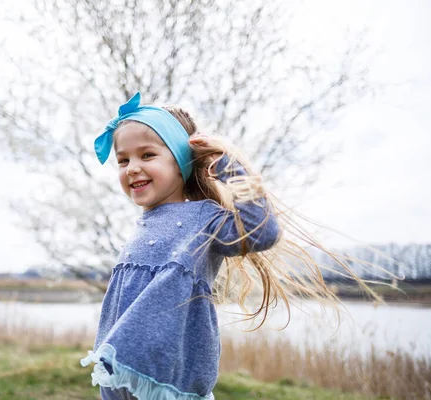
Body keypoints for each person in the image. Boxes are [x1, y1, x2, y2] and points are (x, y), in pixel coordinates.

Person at [79, 92, 374, 399]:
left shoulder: (204, 218)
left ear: (181, 163)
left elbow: (262, 232)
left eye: (147, 155)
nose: (132, 168)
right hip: (121, 371)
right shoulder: (143, 224)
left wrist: (232, 168)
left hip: (169, 380)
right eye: (123, 160)